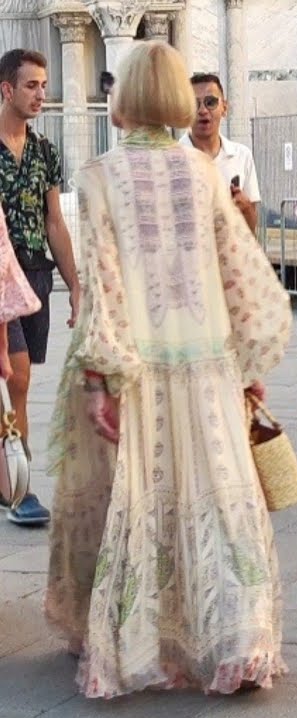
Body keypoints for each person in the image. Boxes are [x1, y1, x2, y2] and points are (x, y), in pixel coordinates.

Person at [43, 40, 292, 698]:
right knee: (218, 502)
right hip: (207, 361)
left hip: (138, 367)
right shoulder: (203, 171)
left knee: (144, 499)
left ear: (123, 98)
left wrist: (99, 378)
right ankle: (237, 641)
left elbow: (101, 288)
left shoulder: (98, 176)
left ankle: (148, 639)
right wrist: (244, 361)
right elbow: (239, 273)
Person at [0, 48, 81, 526]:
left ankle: (11, 473)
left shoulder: (45, 151)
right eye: (31, 86)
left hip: (34, 275)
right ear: (7, 89)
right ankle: (20, 484)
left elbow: (56, 222)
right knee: (18, 374)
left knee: (20, 386)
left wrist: (74, 283)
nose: (41, 95)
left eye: (44, 86)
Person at [179, 72, 261, 232]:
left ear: (224, 107)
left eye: (210, 102)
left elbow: (251, 229)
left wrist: (246, 209)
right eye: (194, 104)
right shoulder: (172, 159)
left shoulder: (242, 156)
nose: (203, 110)